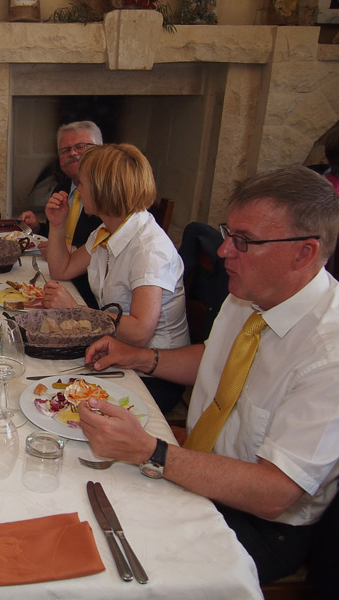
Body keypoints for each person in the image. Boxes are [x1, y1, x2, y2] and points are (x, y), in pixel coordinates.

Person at [79, 166, 339, 584]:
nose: (223, 251)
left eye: (244, 241)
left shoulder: (329, 353)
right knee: (71, 486)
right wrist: (139, 357)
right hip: (197, 462)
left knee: (104, 571)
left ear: (304, 253)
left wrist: (152, 452)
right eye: (228, 233)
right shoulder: (249, 295)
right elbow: (214, 357)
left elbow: (276, 493)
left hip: (258, 522)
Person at [43, 143, 189, 412]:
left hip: (152, 375)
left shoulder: (148, 248)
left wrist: (76, 310)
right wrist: (57, 224)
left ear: (103, 189)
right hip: (116, 351)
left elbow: (140, 332)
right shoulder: (107, 230)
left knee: (53, 392)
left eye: (83, 183)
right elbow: (62, 269)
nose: (78, 190)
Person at [19, 121, 103, 307]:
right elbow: (60, 233)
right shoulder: (62, 187)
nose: (72, 153)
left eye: (81, 146)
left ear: (101, 150)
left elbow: (101, 250)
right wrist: (39, 227)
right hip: (61, 276)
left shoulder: (106, 200)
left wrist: (70, 250)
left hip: (87, 290)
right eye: (65, 150)